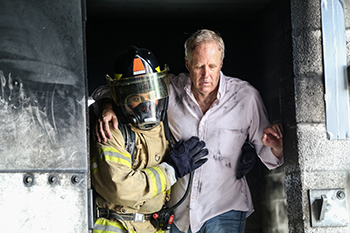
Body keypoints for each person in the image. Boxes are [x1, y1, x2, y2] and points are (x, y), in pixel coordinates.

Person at [92, 29, 284, 233]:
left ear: (221, 63)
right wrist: (107, 106)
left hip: (224, 210)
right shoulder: (169, 90)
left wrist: (276, 148)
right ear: (187, 64)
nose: (206, 75)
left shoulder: (246, 97)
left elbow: (269, 158)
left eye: (212, 66)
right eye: (198, 66)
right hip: (178, 213)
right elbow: (118, 89)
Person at [89, 45, 208, 233]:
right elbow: (121, 188)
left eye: (150, 95)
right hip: (118, 226)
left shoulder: (165, 125)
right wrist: (171, 170)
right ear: (122, 98)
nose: (146, 105)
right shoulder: (109, 130)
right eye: (136, 97)